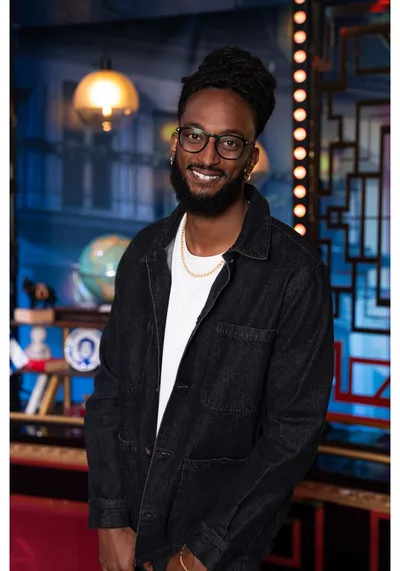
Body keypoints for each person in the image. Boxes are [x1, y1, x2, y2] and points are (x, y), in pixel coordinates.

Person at [84, 46, 334, 571]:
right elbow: (109, 393)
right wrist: (109, 521)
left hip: (218, 557)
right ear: (176, 143)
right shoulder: (142, 254)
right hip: (128, 542)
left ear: (251, 159)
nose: (207, 156)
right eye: (194, 135)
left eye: (229, 142)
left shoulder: (294, 274)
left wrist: (201, 556)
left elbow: (292, 434)